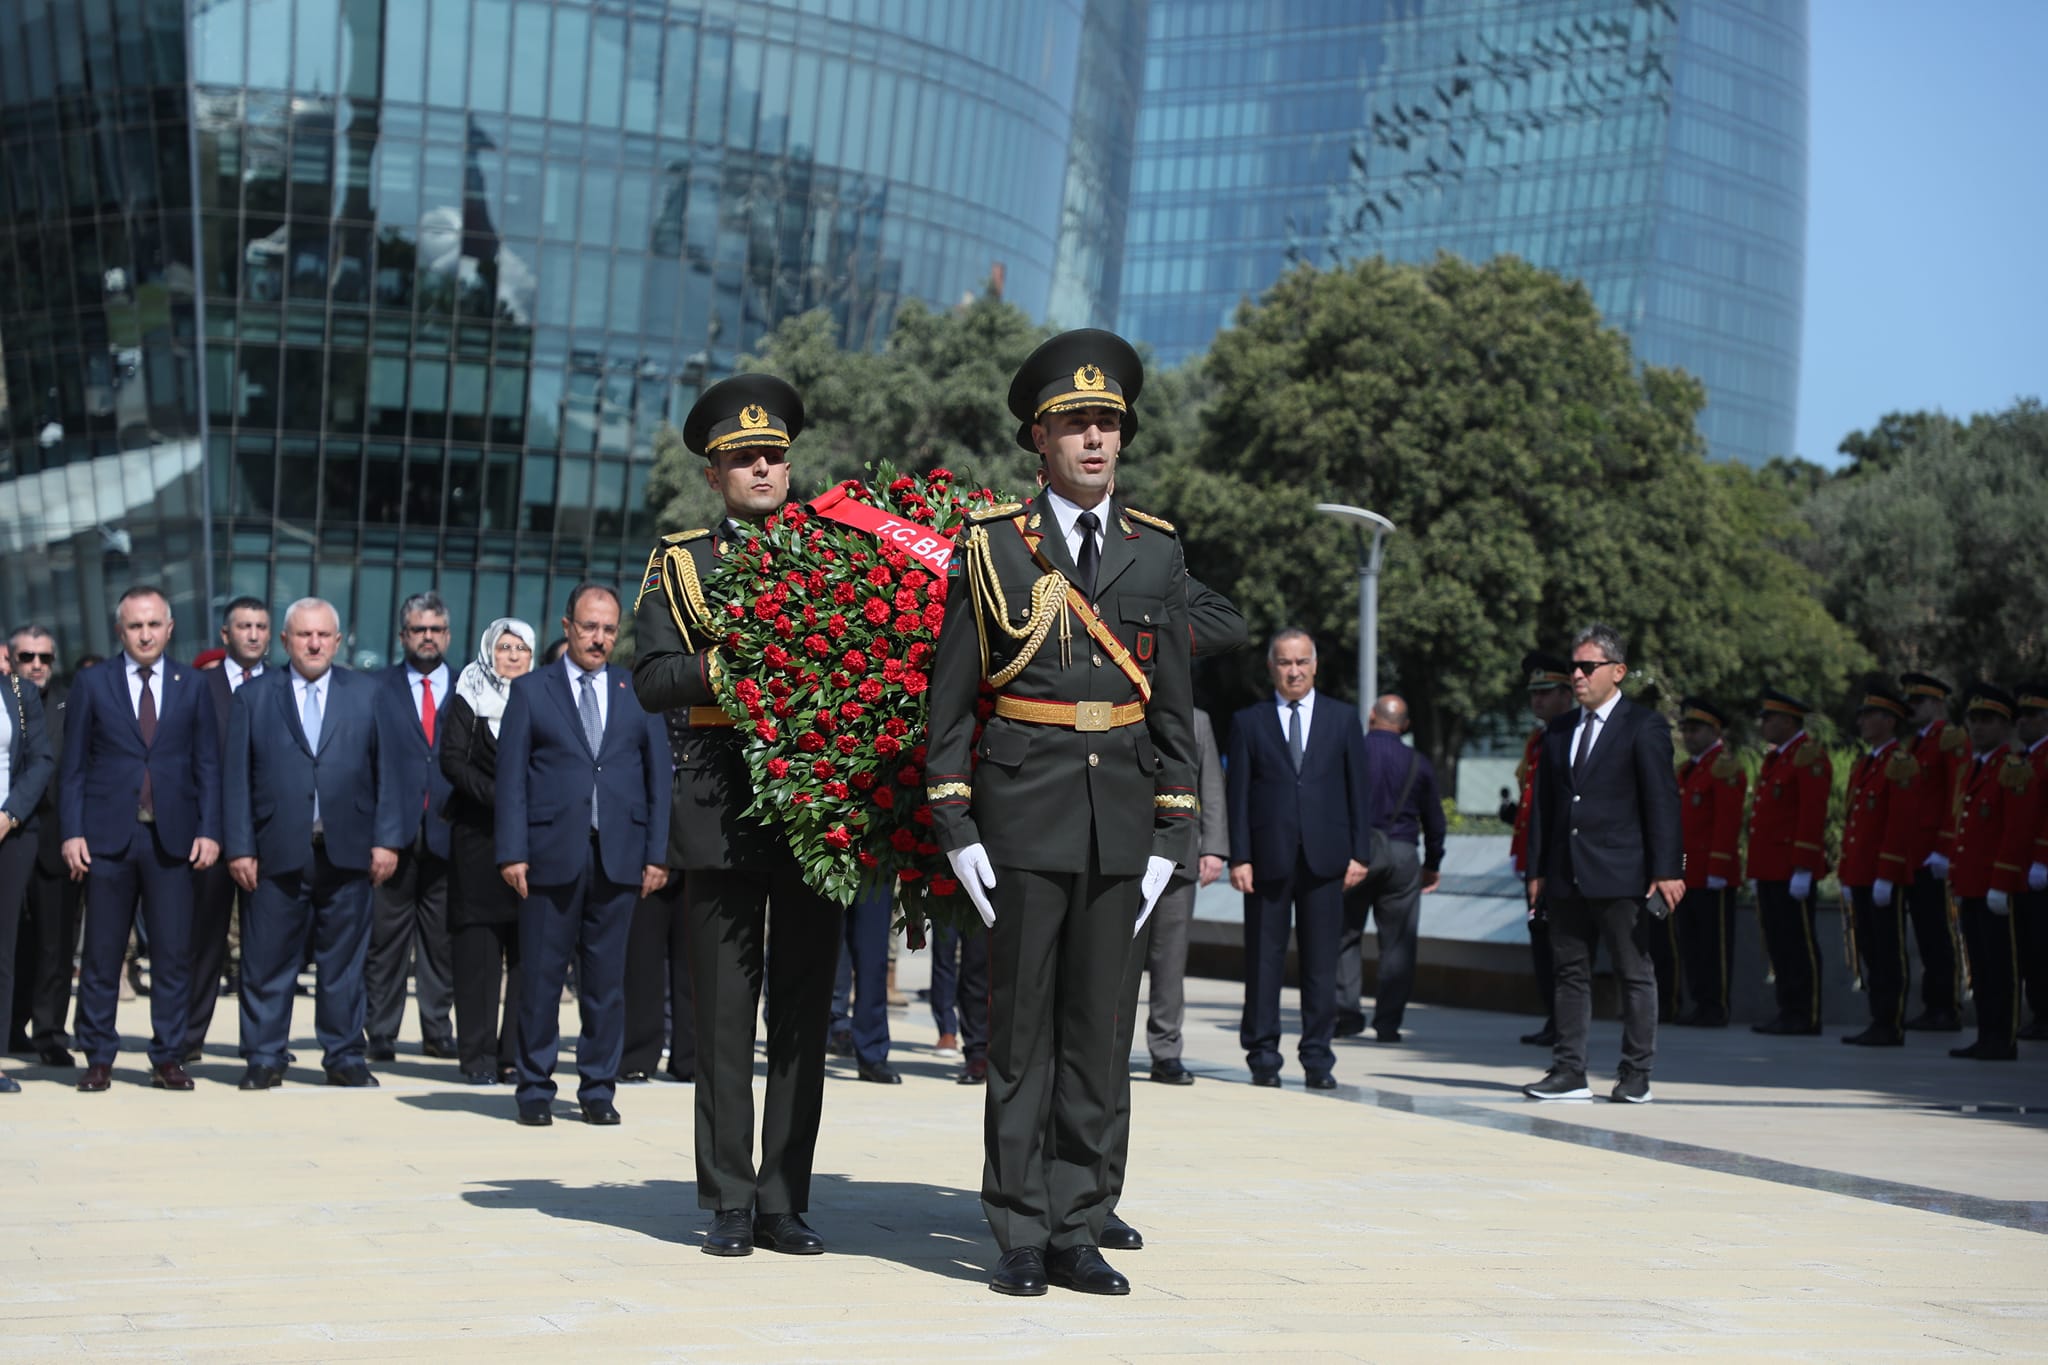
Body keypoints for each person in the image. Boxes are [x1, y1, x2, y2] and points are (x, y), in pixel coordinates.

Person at [927, 328, 1195, 1298]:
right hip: (1020, 817)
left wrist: (1174, 828)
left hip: (1118, 822)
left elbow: (1171, 709)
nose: (1093, 440)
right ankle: (1017, 1230)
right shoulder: (993, 548)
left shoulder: (1155, 551)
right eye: (1073, 424)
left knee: (1097, 1037)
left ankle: (1078, 1222)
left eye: (1105, 424)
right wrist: (955, 825)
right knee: (1023, 1040)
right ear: (1036, 439)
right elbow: (950, 701)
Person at [632, 373, 843, 1259]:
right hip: (721, 795)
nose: (764, 467)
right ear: (714, 474)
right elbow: (651, 680)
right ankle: (726, 1197)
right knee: (723, 1015)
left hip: (812, 802)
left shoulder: (834, 552)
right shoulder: (682, 562)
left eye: (775, 455)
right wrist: (736, 667)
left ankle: (784, 1198)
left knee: (801, 1014)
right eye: (744, 457)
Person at [1097, 577, 1245, 1254]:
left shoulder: (1149, 571)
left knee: (1154, 980)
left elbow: (1226, 621)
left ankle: (1164, 1052)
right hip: (1078, 833)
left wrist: (1137, 612)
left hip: (1165, 849)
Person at [498, 585, 669, 1125]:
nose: (600, 638)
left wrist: (657, 853)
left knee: (605, 983)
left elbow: (658, 779)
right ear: (568, 625)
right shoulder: (531, 691)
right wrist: (511, 851)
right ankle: (533, 1088)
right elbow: (511, 782)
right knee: (542, 981)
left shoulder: (635, 689)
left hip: (619, 856)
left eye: (609, 629)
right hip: (549, 855)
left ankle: (598, 1088)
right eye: (590, 626)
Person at [224, 597, 406, 1090]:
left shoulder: (367, 695)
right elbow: (236, 779)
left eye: (323, 635)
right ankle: (264, 1055)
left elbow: (389, 772)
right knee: (266, 960)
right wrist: (239, 846)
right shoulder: (255, 697)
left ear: (338, 640)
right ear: (284, 641)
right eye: (303, 635)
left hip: (348, 851)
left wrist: (387, 840)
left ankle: (344, 1054)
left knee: (344, 964)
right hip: (275, 851)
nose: (314, 643)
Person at [61, 586, 221, 1093]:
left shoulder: (193, 685)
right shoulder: (92, 683)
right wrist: (72, 832)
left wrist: (210, 830)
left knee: (173, 953)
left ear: (169, 628)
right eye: (135, 625)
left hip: (173, 839)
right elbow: (74, 768)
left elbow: (208, 767)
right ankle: (98, 1055)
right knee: (103, 954)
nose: (146, 634)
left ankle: (168, 1056)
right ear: (120, 630)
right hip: (108, 837)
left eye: (154, 624)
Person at [1522, 623, 1684, 1104]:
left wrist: (1668, 868)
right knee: (1569, 973)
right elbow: (1545, 811)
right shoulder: (1559, 730)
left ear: (1617, 672)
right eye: (1574, 666)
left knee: (1634, 973)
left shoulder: (1643, 725)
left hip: (1622, 873)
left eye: (1587, 667)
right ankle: (1569, 1070)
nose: (1576, 675)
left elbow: (1662, 801)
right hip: (1567, 873)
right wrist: (1536, 872)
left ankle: (1636, 1073)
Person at [1226, 628, 1371, 1086]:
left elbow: (1358, 792)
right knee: (1263, 963)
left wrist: (1360, 853)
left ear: (1315, 666)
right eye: (1285, 662)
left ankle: (1317, 1057)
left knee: (1321, 964)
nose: (1294, 671)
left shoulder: (1342, 719)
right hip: (1266, 860)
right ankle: (1264, 1056)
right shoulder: (1249, 722)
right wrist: (1239, 857)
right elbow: (1239, 796)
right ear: (1271, 667)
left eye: (1302, 662)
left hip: (1327, 859)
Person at [439, 617, 535, 1084]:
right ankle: (475, 1056)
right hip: (478, 840)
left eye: (522, 648)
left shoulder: (543, 699)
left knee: (526, 955)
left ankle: (512, 1055)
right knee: (477, 954)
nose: (514, 656)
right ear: (488, 651)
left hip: (533, 844)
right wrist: (502, 797)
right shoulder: (468, 695)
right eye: (505, 647)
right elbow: (451, 760)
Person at [365, 592, 457, 1062]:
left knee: (441, 943)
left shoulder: (470, 687)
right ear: (403, 636)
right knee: (386, 941)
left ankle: (437, 1030)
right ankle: (379, 1031)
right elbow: (368, 767)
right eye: (418, 629)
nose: (427, 637)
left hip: (447, 834)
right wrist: (379, 835)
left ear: (448, 635)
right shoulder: (376, 689)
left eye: (435, 629)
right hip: (393, 838)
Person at [183, 597, 270, 1061]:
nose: (252, 634)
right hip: (211, 835)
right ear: (225, 634)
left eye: (260, 626)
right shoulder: (199, 686)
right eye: (243, 626)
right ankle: (188, 1037)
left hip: (269, 837)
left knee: (265, 947)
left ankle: (260, 1042)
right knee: (204, 942)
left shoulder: (283, 685)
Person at [1336, 694, 1442, 1044]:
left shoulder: (1351, 754)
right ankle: (1388, 1023)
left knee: (1345, 936)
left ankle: (1347, 1015)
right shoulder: (1419, 763)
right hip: (1402, 854)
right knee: (1398, 943)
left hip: (1356, 853)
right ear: (1405, 725)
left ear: (1371, 716)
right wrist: (1432, 864)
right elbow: (1435, 822)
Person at [1946, 684, 2033, 1062]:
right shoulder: (1975, 769)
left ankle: (2003, 1037)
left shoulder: (2012, 768)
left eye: (1988, 721)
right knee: (1979, 966)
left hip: (1997, 886)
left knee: (2001, 966)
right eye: (1974, 720)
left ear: (2005, 725)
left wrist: (2002, 881)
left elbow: (2016, 832)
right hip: (1973, 883)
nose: (1978, 728)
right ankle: (1986, 1034)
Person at [9, 626, 78, 1067]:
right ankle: (10, 1025)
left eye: (45, 658)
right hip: (8, 839)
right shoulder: (1, 701)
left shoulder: (70, 703)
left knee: (56, 943)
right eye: (27, 657)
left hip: (57, 838)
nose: (36, 665)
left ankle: (50, 1031)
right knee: (10, 942)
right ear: (10, 660)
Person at [1836, 683, 1920, 1046]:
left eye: (1871, 715)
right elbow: (1855, 822)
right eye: (1863, 715)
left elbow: (1899, 824)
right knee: (1870, 950)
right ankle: (1877, 1019)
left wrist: (1887, 873)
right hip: (1861, 872)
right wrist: (1846, 871)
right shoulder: (1865, 763)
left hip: (1882, 875)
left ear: (1890, 721)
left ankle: (1890, 1022)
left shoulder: (1899, 763)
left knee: (1888, 951)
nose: (1863, 722)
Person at [1747, 689, 1833, 1036]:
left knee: (1799, 943)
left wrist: (1802, 866)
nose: (1764, 725)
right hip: (1771, 867)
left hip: (1791, 867)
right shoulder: (1779, 758)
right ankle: (1788, 1009)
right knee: (1779, 942)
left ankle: (1806, 1013)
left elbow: (1811, 815)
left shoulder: (1807, 756)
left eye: (1770, 718)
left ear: (1788, 720)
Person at [620, 704, 698, 1085]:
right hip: (647, 851)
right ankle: (639, 1054)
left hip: (699, 853)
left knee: (694, 965)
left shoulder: (711, 702)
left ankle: (690, 1057)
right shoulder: (642, 706)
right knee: (642, 962)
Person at [1512, 653, 1575, 1046]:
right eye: (1534, 694)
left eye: (1546, 692)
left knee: (1560, 948)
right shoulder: (1539, 739)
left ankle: (1564, 1024)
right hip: (1533, 857)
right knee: (1542, 944)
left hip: (1558, 860)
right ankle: (1554, 1019)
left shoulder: (1567, 737)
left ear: (1567, 694)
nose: (1538, 701)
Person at [0, 653, 55, 1092]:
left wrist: (10, 814)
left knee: (2, 949)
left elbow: (40, 760)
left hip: (10, 834)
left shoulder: (21, 694)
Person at [1672, 697, 1745, 1028]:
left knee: (1714, 945)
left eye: (1695, 729)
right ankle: (1700, 1002)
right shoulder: (1689, 771)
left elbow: (1726, 824)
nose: (1688, 736)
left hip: (1712, 874)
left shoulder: (1723, 767)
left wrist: (1718, 867)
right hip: (1687, 873)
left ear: (1714, 731)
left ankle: (1715, 1006)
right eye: (1685, 729)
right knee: (1691, 943)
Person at [1899, 673, 1966, 1032]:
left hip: (1934, 855)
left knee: (1940, 934)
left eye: (1920, 702)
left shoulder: (1949, 740)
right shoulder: (1916, 745)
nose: (1913, 710)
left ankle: (1947, 1006)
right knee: (1925, 934)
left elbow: (1956, 793)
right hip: (1915, 855)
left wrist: (1945, 847)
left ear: (1938, 704)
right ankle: (1933, 1005)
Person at [828, 880, 901, 1084]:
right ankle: (809, 1040)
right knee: (819, 955)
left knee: (873, 960)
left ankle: (872, 1053)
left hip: (874, 861)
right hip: (823, 854)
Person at [2014, 684, 2048, 1041]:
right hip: (2021, 869)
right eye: (2019, 716)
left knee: (2041, 946)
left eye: (2031, 715)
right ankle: (2039, 1012)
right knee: (2029, 946)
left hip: (2041, 870)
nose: (2022, 722)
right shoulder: (2025, 758)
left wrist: (2043, 859)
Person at [928, 922, 990, 1084]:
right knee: (943, 952)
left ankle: (978, 1050)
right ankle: (947, 1031)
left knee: (977, 962)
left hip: (983, 900)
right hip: (946, 899)